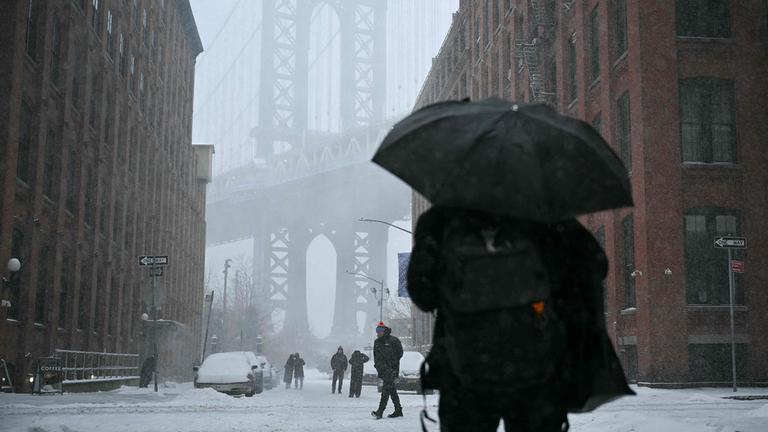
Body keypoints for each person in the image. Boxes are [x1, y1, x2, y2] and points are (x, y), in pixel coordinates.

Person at [407, 206, 633, 432]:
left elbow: (422, 294)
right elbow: (594, 263)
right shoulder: (542, 214)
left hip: (465, 369)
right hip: (536, 368)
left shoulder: (441, 218)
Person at [371, 322, 403, 419]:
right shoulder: (377, 342)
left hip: (391, 370)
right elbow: (376, 356)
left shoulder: (394, 340)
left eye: (380, 330)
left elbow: (400, 353)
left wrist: (392, 363)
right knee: (392, 390)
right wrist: (378, 366)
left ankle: (380, 411)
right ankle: (398, 410)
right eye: (377, 330)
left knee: (385, 390)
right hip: (383, 370)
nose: (378, 332)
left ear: (385, 330)